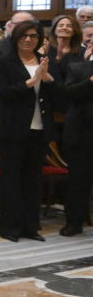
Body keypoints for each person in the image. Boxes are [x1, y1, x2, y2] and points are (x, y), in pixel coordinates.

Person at [0, 20, 57, 242]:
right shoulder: (5, 62)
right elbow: (1, 93)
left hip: (39, 127)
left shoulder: (44, 60)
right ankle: (10, 227)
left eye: (33, 36)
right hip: (12, 128)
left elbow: (57, 96)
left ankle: (31, 226)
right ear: (16, 37)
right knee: (11, 178)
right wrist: (30, 82)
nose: (29, 39)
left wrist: (48, 80)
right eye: (24, 35)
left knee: (32, 178)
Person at [62, 43, 93, 235]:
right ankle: (74, 222)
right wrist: (91, 81)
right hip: (82, 133)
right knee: (78, 180)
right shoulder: (77, 68)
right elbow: (69, 93)